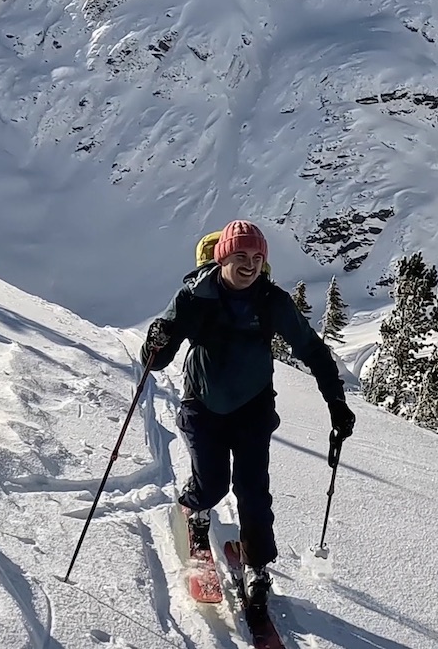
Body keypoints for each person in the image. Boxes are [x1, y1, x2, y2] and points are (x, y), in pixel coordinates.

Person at [142, 219, 355, 607]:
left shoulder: (271, 301)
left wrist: (336, 402)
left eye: (258, 257)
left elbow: (311, 349)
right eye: (241, 255)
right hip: (202, 405)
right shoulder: (195, 297)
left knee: (253, 490)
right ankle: (196, 506)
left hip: (253, 408)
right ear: (222, 256)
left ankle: (257, 565)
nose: (250, 264)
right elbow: (157, 361)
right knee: (213, 484)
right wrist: (154, 341)